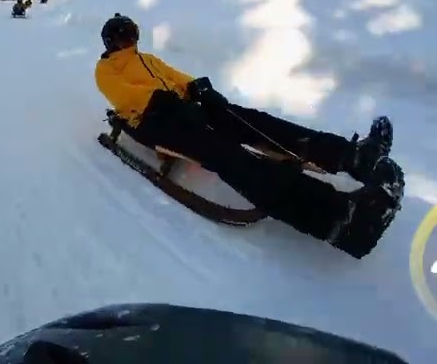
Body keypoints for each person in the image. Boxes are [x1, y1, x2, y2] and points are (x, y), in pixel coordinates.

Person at [94, 13, 403, 259]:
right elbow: (123, 97)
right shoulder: (105, 69)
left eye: (132, 32)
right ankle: (344, 219)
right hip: (155, 120)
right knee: (227, 154)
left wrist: (199, 88)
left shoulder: (148, 58)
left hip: (186, 108)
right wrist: (166, 102)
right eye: (124, 35)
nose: (130, 39)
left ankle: (354, 157)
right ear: (111, 40)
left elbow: (176, 76)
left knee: (255, 121)